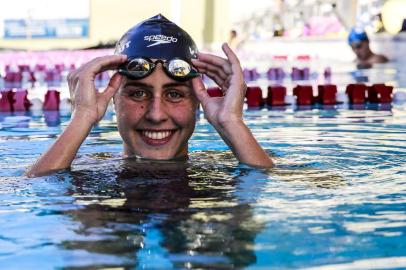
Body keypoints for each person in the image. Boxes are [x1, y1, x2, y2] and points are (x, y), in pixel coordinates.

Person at [26, 14, 273, 177]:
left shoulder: (218, 169)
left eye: (175, 94)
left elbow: (266, 188)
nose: (156, 115)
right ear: (113, 98)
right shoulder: (90, 168)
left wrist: (232, 123)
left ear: (198, 103)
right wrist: (82, 117)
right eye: (138, 93)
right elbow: (38, 191)